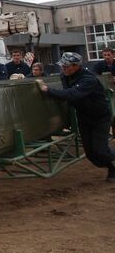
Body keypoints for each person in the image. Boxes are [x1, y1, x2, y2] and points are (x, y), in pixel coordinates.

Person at [39, 52, 115, 182]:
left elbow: (73, 94)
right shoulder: (65, 76)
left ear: (76, 66)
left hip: (100, 117)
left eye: (66, 66)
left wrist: (48, 90)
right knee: (91, 154)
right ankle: (112, 168)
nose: (64, 69)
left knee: (100, 150)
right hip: (83, 116)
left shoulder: (88, 79)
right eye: (63, 66)